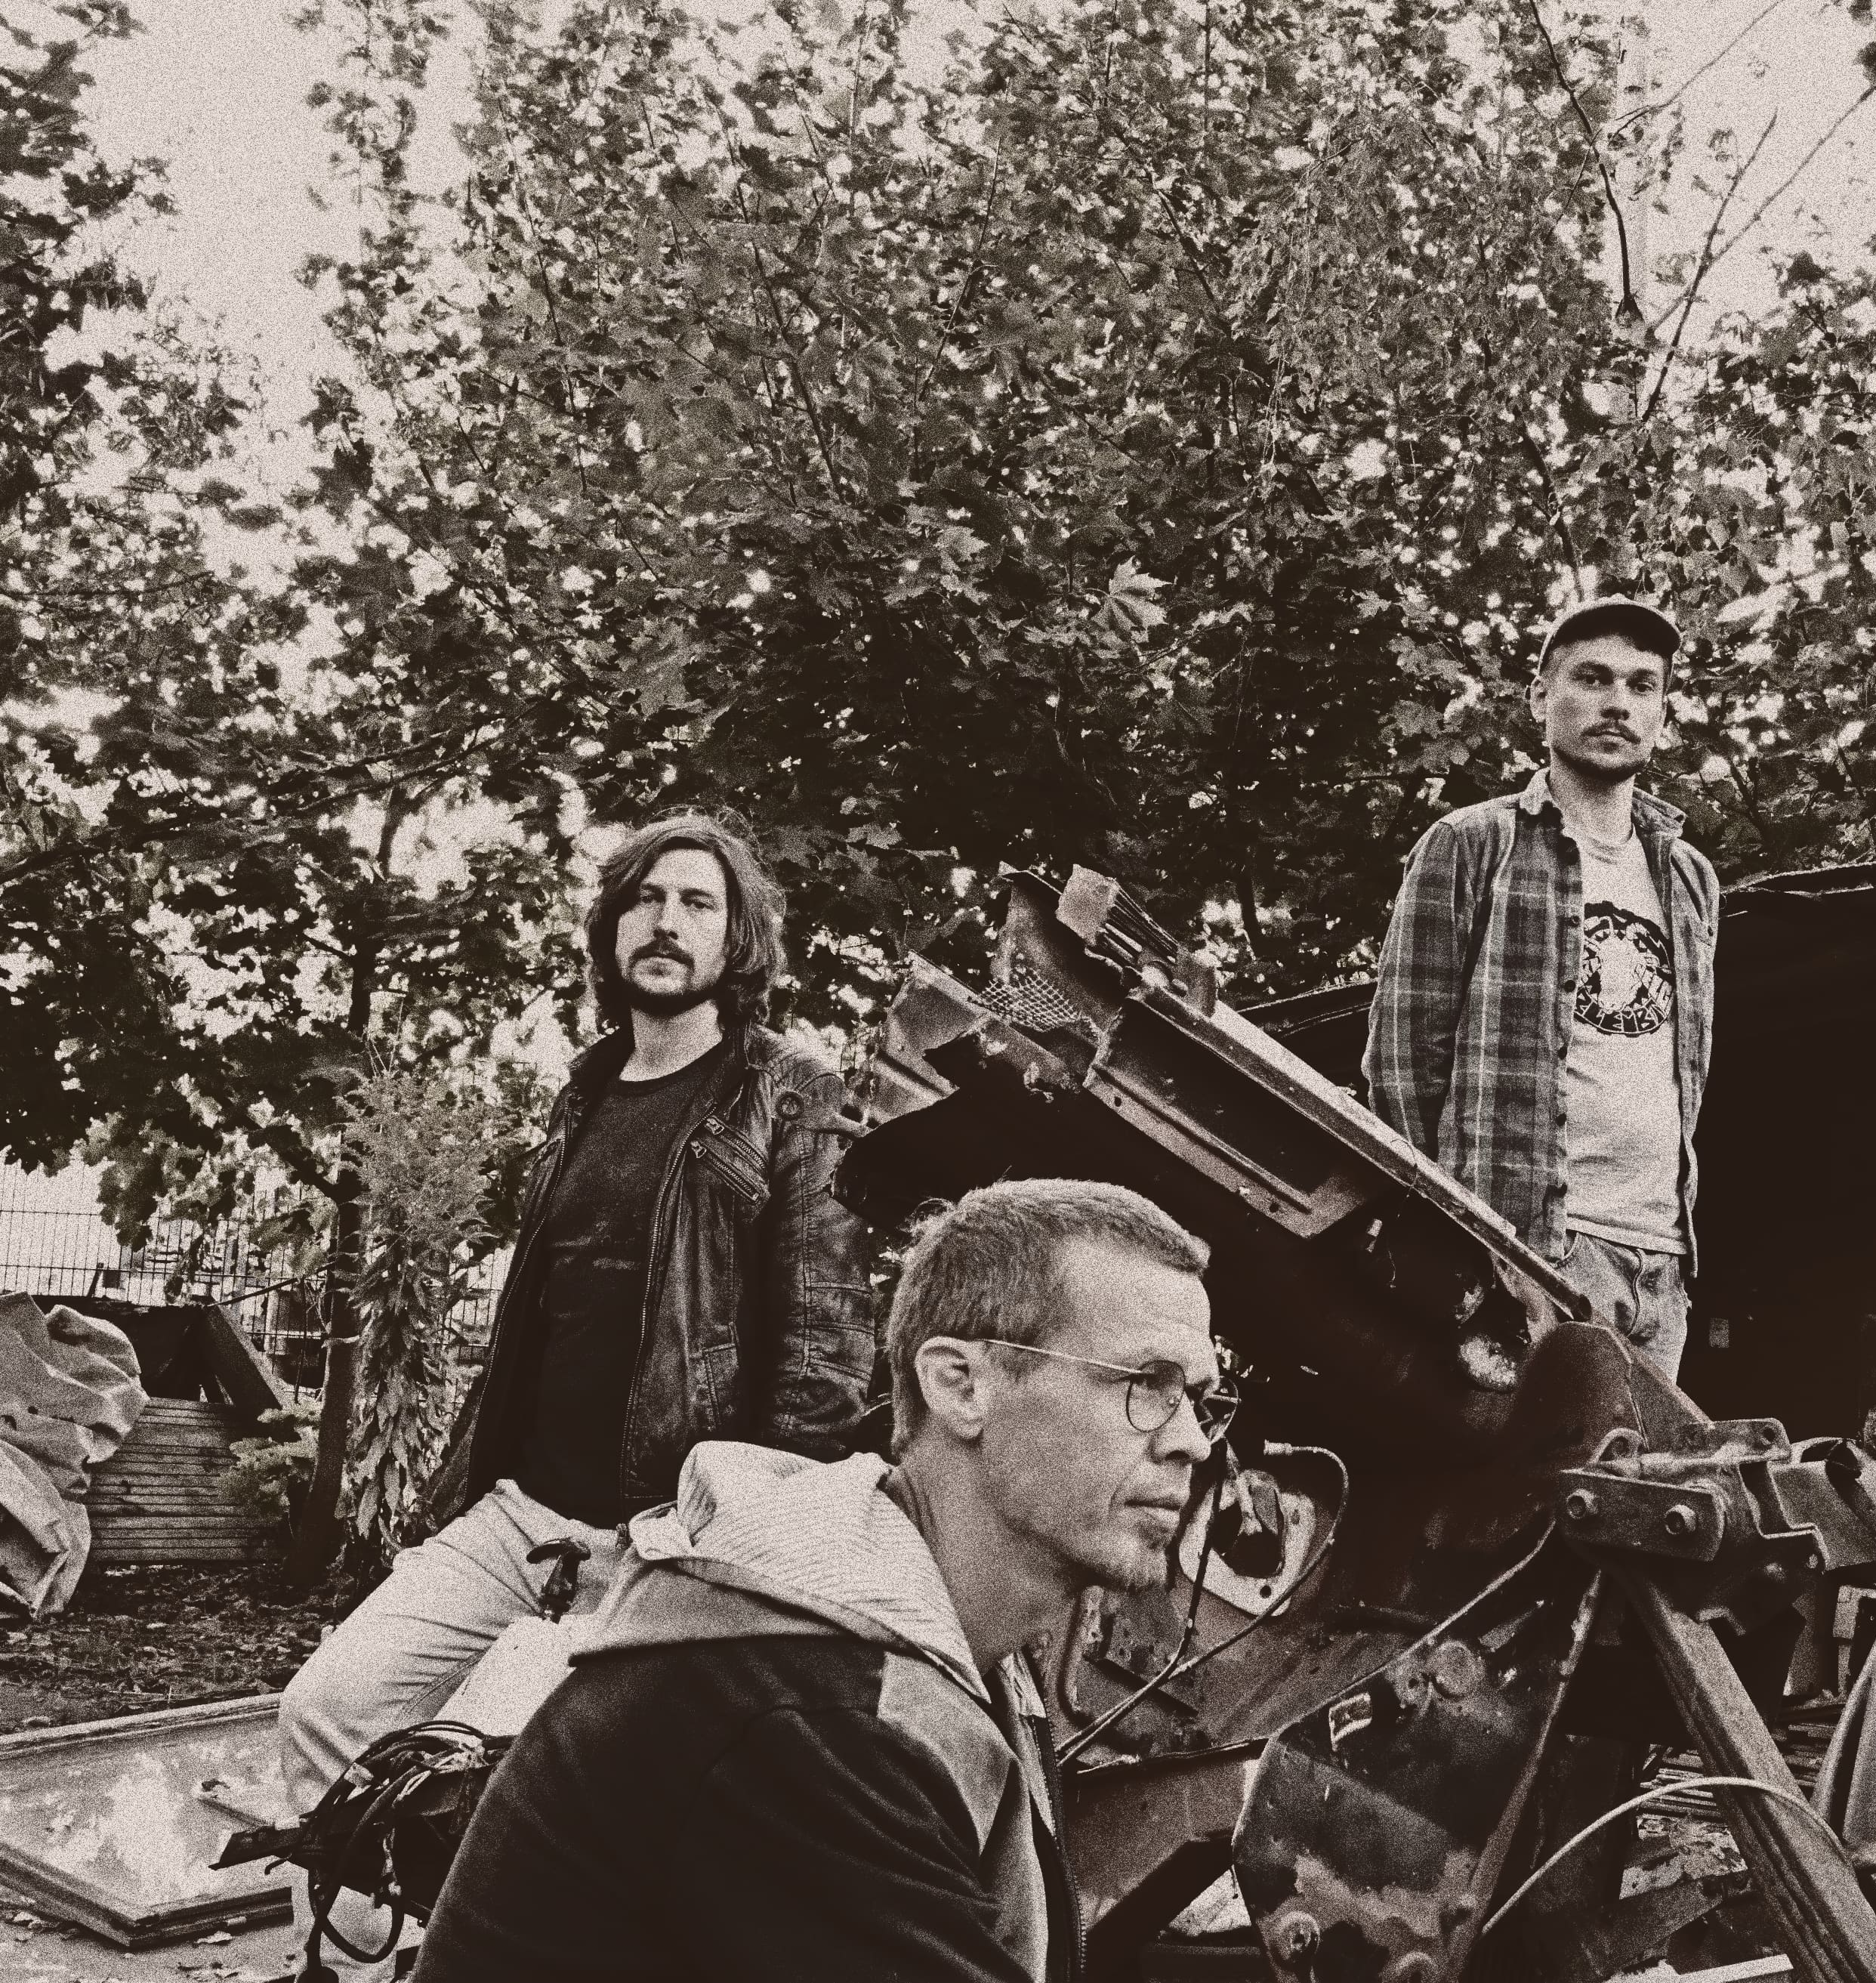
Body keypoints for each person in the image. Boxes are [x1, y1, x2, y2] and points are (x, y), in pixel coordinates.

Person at [277, 812, 876, 1960]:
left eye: (698, 903)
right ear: (610, 930)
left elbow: (824, 1349)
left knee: (513, 1799)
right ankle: (366, 1963)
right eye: (645, 898)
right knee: (328, 1711)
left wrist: (718, 1541)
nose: (667, 922)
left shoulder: (790, 1090)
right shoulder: (585, 1094)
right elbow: (538, 1321)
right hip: (522, 1512)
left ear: (738, 938)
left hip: (667, 1538)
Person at [412, 1178, 1227, 1983]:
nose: (1192, 1441)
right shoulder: (806, 1706)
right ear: (960, 1384)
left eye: (1198, 1398)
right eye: (1144, 1383)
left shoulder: (952, 1654)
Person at [1364, 597, 1717, 1382]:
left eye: (1643, 685)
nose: (1618, 703)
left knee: (1642, 1461)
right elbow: (1400, 1067)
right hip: (1525, 1252)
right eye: (1592, 678)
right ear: (1538, 696)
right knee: (1513, 1460)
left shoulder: (1691, 878)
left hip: (1660, 1262)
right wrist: (1458, 1239)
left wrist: (1671, 1254)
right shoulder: (1471, 843)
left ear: (1662, 712)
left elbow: (1685, 1072)